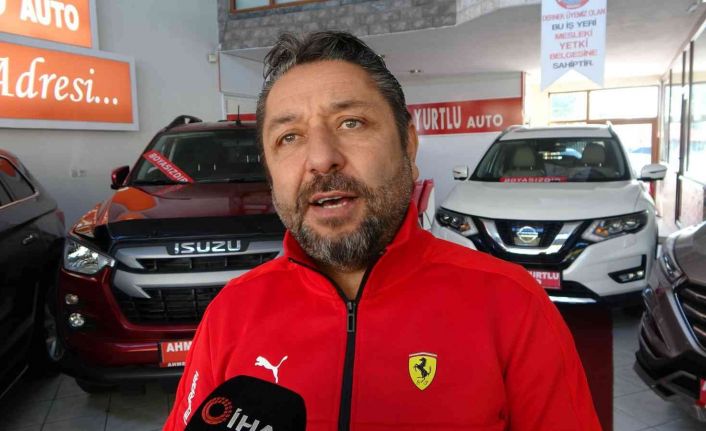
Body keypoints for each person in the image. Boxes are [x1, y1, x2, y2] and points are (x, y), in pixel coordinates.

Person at [164, 31, 601, 431]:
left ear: (408, 144)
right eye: (289, 137)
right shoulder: (230, 314)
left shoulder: (513, 304)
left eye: (350, 122)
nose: (321, 158)